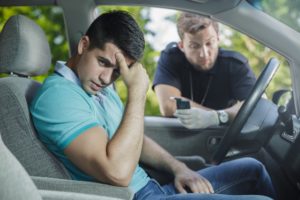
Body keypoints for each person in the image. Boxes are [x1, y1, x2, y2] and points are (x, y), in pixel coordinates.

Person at [30, 11, 275, 200]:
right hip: (134, 196)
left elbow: (136, 140)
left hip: (153, 188)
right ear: (84, 46)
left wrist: (179, 168)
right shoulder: (59, 96)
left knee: (253, 169)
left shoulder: (97, 88)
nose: (106, 79)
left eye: (117, 72)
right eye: (103, 62)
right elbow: (117, 172)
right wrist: (137, 91)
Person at [153, 12, 257, 129]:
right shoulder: (171, 58)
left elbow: (255, 106)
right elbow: (169, 104)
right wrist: (216, 115)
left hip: (222, 136)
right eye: (194, 46)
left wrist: (215, 117)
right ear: (182, 46)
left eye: (209, 43)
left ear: (218, 39)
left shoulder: (235, 64)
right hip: (180, 134)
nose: (204, 54)